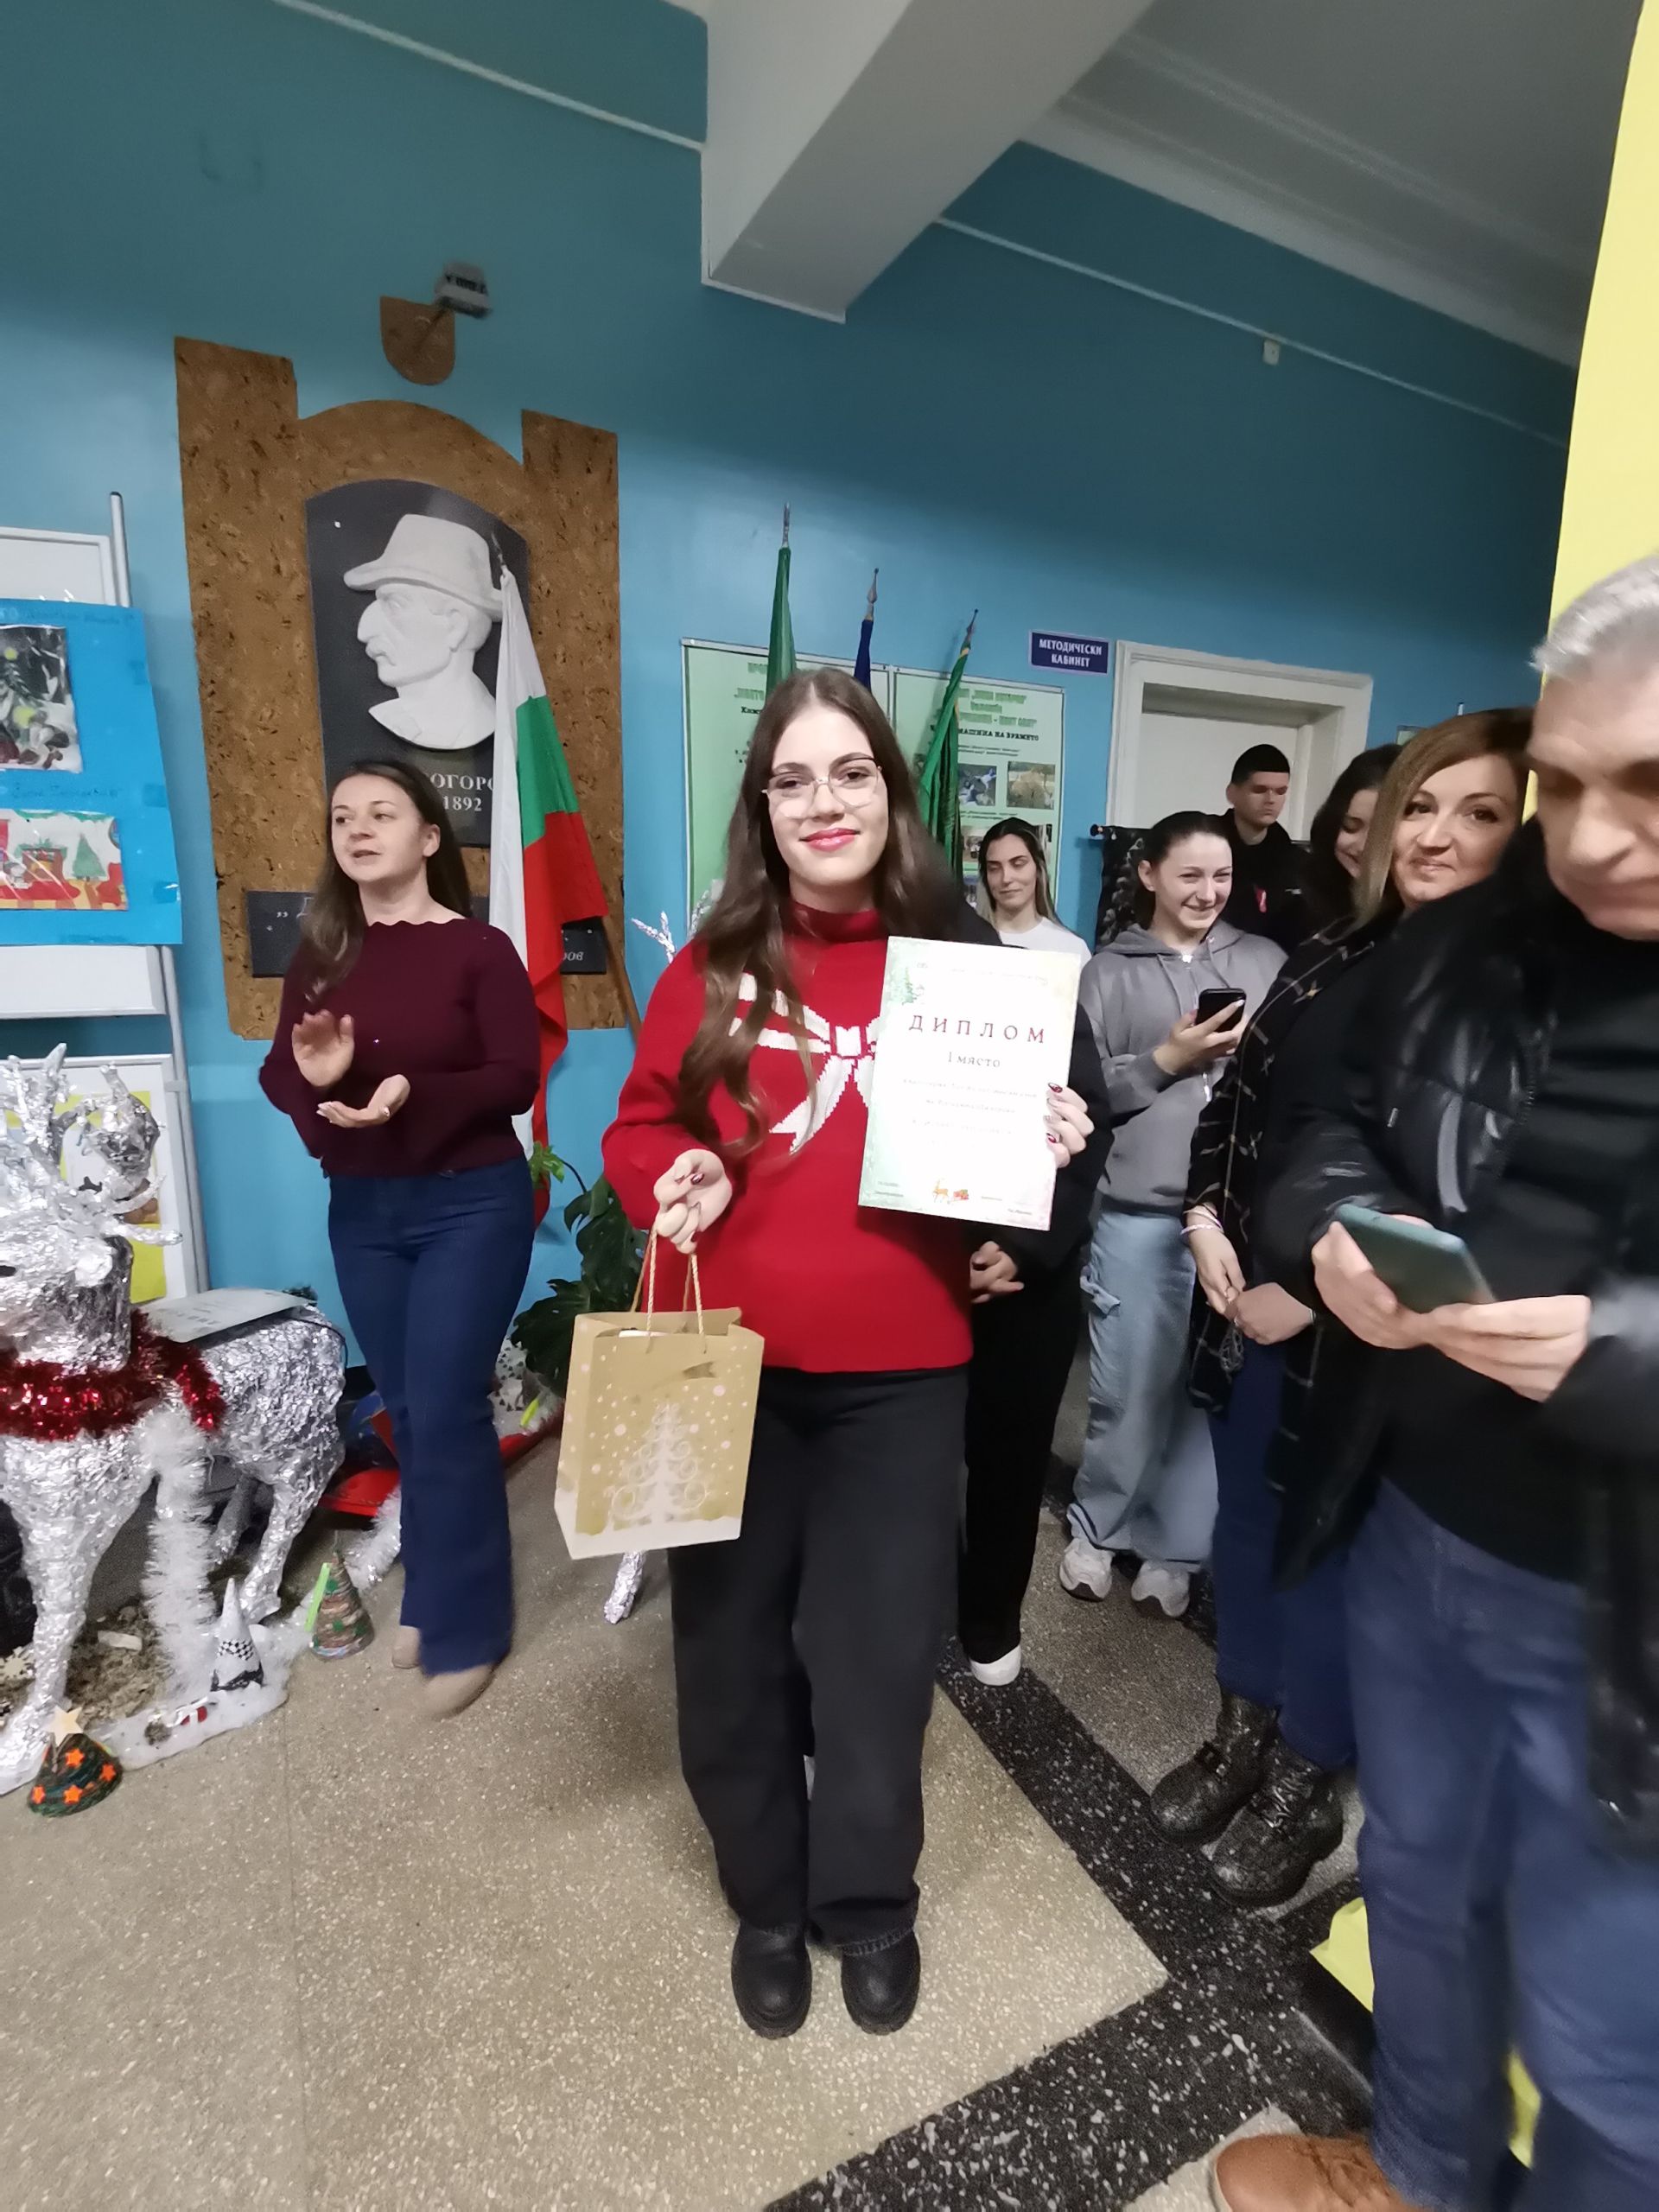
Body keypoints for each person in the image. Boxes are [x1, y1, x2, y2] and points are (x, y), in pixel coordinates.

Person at [1215, 559, 1659, 2212]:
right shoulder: (1469, 940)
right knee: (1417, 1883)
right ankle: (1418, 2171)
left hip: (1628, 1616)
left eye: (1651, 788)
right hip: (1417, 1528)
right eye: (1570, 784)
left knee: (1617, 2038)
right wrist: (1330, 1236)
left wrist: (1626, 1350)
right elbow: (1326, 1122)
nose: (1595, 838)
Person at [602, 667, 1091, 2041]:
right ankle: (766, 1898)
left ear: (892, 792)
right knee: (731, 1656)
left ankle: (869, 1903)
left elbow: (1011, 1185)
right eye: (794, 778)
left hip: (904, 1380)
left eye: (852, 772)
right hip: (727, 1372)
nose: (825, 801)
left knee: (877, 1662)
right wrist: (674, 1172)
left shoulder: (964, 974)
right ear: (764, 807)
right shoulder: (714, 966)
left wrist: (1047, 1150)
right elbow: (637, 1128)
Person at [1159, 716, 1527, 1910]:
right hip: (1246, 1300)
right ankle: (1242, 1733)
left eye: (1479, 812)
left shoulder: (1518, 991)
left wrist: (1306, 1293)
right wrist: (1205, 1218)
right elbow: (1239, 1102)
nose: (1432, 835)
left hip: (1371, 1352)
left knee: (1328, 1559)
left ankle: (1304, 1781)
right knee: (1248, 1534)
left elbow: (1465, 1207)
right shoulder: (1332, 952)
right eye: (1419, 807)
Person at [259, 760, 537, 1718]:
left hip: (471, 1204)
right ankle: (432, 1592)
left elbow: (514, 1077)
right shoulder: (323, 954)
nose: (359, 829)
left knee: (449, 1407)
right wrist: (320, 1082)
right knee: (409, 1411)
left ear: (428, 837)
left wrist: (412, 1093)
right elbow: (283, 1074)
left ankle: (471, 1628)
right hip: (366, 1210)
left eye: (382, 813)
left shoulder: (479, 948)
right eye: (344, 817)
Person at [1062, 813, 1284, 1619]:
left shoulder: (1265, 962)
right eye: (1190, 875)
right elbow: (1082, 1097)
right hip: (1137, 1213)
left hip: (1236, 1221)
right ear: (1150, 875)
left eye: (1221, 877)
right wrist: (1168, 1060)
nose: (1208, 892)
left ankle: (1177, 1547)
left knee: (1207, 1397)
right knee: (1131, 1389)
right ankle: (1099, 1525)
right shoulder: (1104, 973)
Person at [1299, 743, 1402, 931]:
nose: (1363, 846)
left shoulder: (1422, 917)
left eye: (1382, 833)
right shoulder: (1301, 903)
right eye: (1350, 827)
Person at [1217, 742, 1310, 951]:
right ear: (1232, 793)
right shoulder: (1202, 848)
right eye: (1259, 790)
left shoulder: (1298, 864)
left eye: (1280, 791)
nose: (1271, 800)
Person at [977, 816, 1090, 961]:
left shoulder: (1071, 948)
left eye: (1018, 864)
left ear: (1038, 868)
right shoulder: (964, 944)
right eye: (994, 868)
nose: (1006, 878)